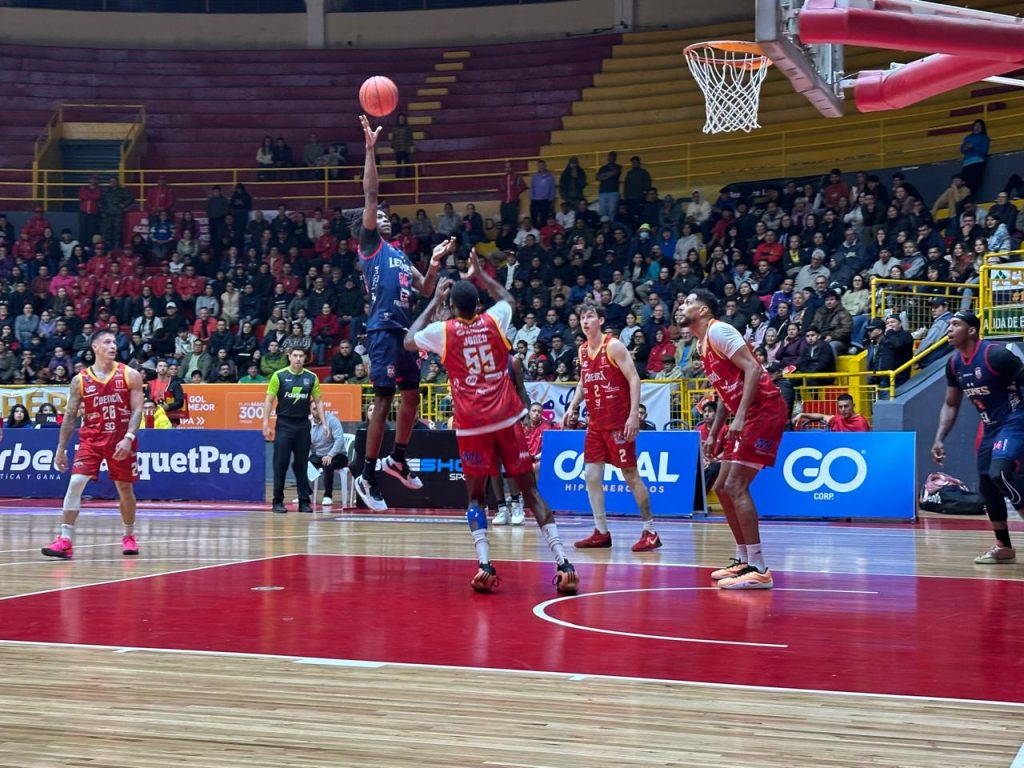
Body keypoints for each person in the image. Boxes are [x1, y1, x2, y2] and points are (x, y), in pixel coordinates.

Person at [404, 250, 579, 595]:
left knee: (476, 498)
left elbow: (410, 339)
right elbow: (509, 298)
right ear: (478, 304)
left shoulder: (444, 331)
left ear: (453, 307)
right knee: (530, 491)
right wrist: (481, 275)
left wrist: (433, 300)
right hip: (506, 418)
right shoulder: (494, 319)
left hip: (471, 425)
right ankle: (563, 562)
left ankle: (485, 564)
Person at [353, 114, 452, 511]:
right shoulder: (370, 247)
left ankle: (398, 458)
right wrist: (371, 149)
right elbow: (372, 193)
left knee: (411, 397)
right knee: (383, 400)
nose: (381, 216)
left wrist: (433, 264)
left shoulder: (399, 255)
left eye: (385, 215)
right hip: (382, 330)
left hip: (406, 333)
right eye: (377, 215)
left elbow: (425, 288)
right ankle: (368, 473)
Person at [678, 289, 788, 589]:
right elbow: (727, 392)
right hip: (745, 412)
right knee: (721, 487)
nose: (682, 305)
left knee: (736, 485)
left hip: (763, 409)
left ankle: (760, 568)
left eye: (688, 302)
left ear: (703, 311)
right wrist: (714, 431)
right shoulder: (702, 345)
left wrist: (739, 417)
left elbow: (752, 368)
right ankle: (743, 558)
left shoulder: (720, 331)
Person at [564, 304, 663, 553]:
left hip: (618, 422)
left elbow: (634, 378)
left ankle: (650, 531)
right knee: (591, 476)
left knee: (630, 475)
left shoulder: (613, 346)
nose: (584, 321)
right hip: (596, 424)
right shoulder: (583, 350)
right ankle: (601, 531)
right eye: (581, 317)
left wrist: (633, 416)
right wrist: (573, 406)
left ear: (600, 320)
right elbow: (584, 381)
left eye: (589, 317)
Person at [41, 329, 144, 560]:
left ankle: (129, 535)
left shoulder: (130, 374)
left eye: (114, 342)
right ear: (95, 347)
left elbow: (138, 409)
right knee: (76, 482)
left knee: (124, 488)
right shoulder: (80, 380)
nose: (113, 346)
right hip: (91, 439)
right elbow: (69, 415)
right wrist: (60, 449)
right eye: (107, 342)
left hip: (120, 439)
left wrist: (128, 437)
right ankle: (65, 540)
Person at [934, 312, 1024, 564]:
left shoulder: (996, 355)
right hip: (989, 427)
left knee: (1000, 473)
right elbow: (951, 404)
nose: (949, 329)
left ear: (971, 330)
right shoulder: (953, 364)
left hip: (1015, 420)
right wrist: (940, 438)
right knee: (986, 485)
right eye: (948, 325)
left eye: (955, 324)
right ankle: (1003, 547)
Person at [262, 348, 323, 514]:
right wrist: (265, 424)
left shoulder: (311, 377)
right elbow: (268, 400)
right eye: (295, 356)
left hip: (303, 424)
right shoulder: (279, 375)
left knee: (302, 465)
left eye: (301, 356)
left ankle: (304, 502)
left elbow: (318, 401)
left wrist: (324, 423)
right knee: (280, 464)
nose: (298, 359)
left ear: (305, 358)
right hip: (284, 425)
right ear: (289, 357)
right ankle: (277, 502)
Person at [308, 401, 349, 506]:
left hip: (338, 455)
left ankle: (328, 495)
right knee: (300, 464)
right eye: (314, 409)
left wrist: (330, 455)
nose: (317, 411)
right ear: (310, 411)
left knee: (328, 464)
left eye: (319, 408)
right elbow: (305, 442)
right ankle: (305, 493)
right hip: (319, 455)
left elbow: (339, 440)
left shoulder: (332, 420)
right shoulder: (308, 423)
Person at [794, 393, 870, 431]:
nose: (843, 409)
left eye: (846, 406)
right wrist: (802, 414)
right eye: (840, 407)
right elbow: (822, 416)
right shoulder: (837, 419)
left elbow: (863, 442)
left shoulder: (860, 422)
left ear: (853, 406)